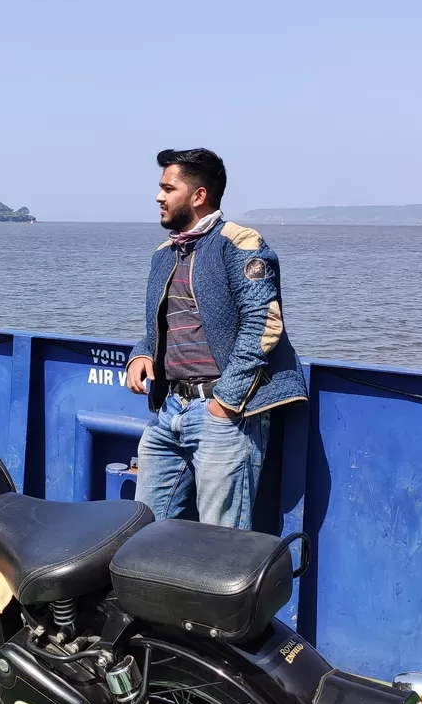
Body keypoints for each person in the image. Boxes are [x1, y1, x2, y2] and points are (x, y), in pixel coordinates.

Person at [126, 148, 307, 529]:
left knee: (219, 543)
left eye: (167, 188)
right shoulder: (165, 254)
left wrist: (225, 403)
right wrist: (141, 354)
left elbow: (264, 322)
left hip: (223, 414)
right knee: (140, 530)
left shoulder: (239, 243)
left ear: (198, 196)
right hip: (168, 411)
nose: (158, 197)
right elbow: (165, 324)